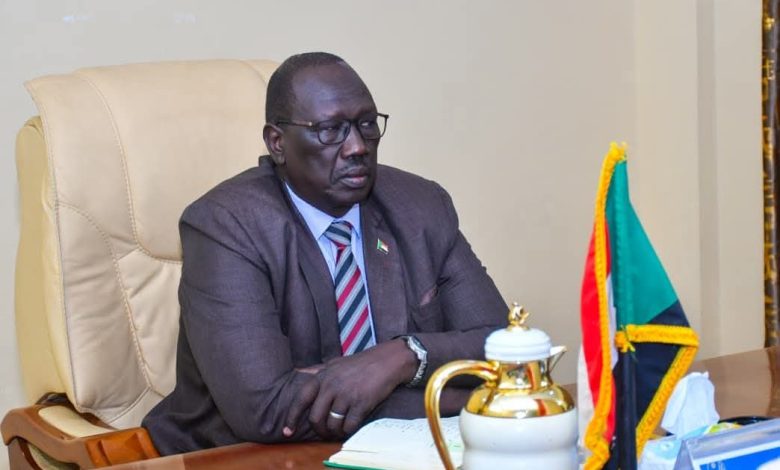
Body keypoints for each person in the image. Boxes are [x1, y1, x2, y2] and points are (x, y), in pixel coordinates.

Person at [142, 52, 507, 455]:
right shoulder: (226, 225)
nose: (357, 147)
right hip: (234, 457)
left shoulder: (420, 206)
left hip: (401, 453)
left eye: (367, 124)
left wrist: (401, 358)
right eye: (331, 130)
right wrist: (458, 397)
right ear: (277, 143)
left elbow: (506, 351)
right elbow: (264, 409)